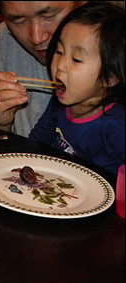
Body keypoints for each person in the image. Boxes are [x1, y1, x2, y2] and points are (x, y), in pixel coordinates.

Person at [29, 1, 125, 175]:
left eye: (76, 59)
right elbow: (36, 144)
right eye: (59, 51)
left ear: (110, 78)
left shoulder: (117, 124)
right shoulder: (58, 102)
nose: (60, 65)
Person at [0, 1, 87, 136]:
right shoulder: (5, 38)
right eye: (20, 21)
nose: (37, 38)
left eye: (49, 16)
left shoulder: (111, 47)